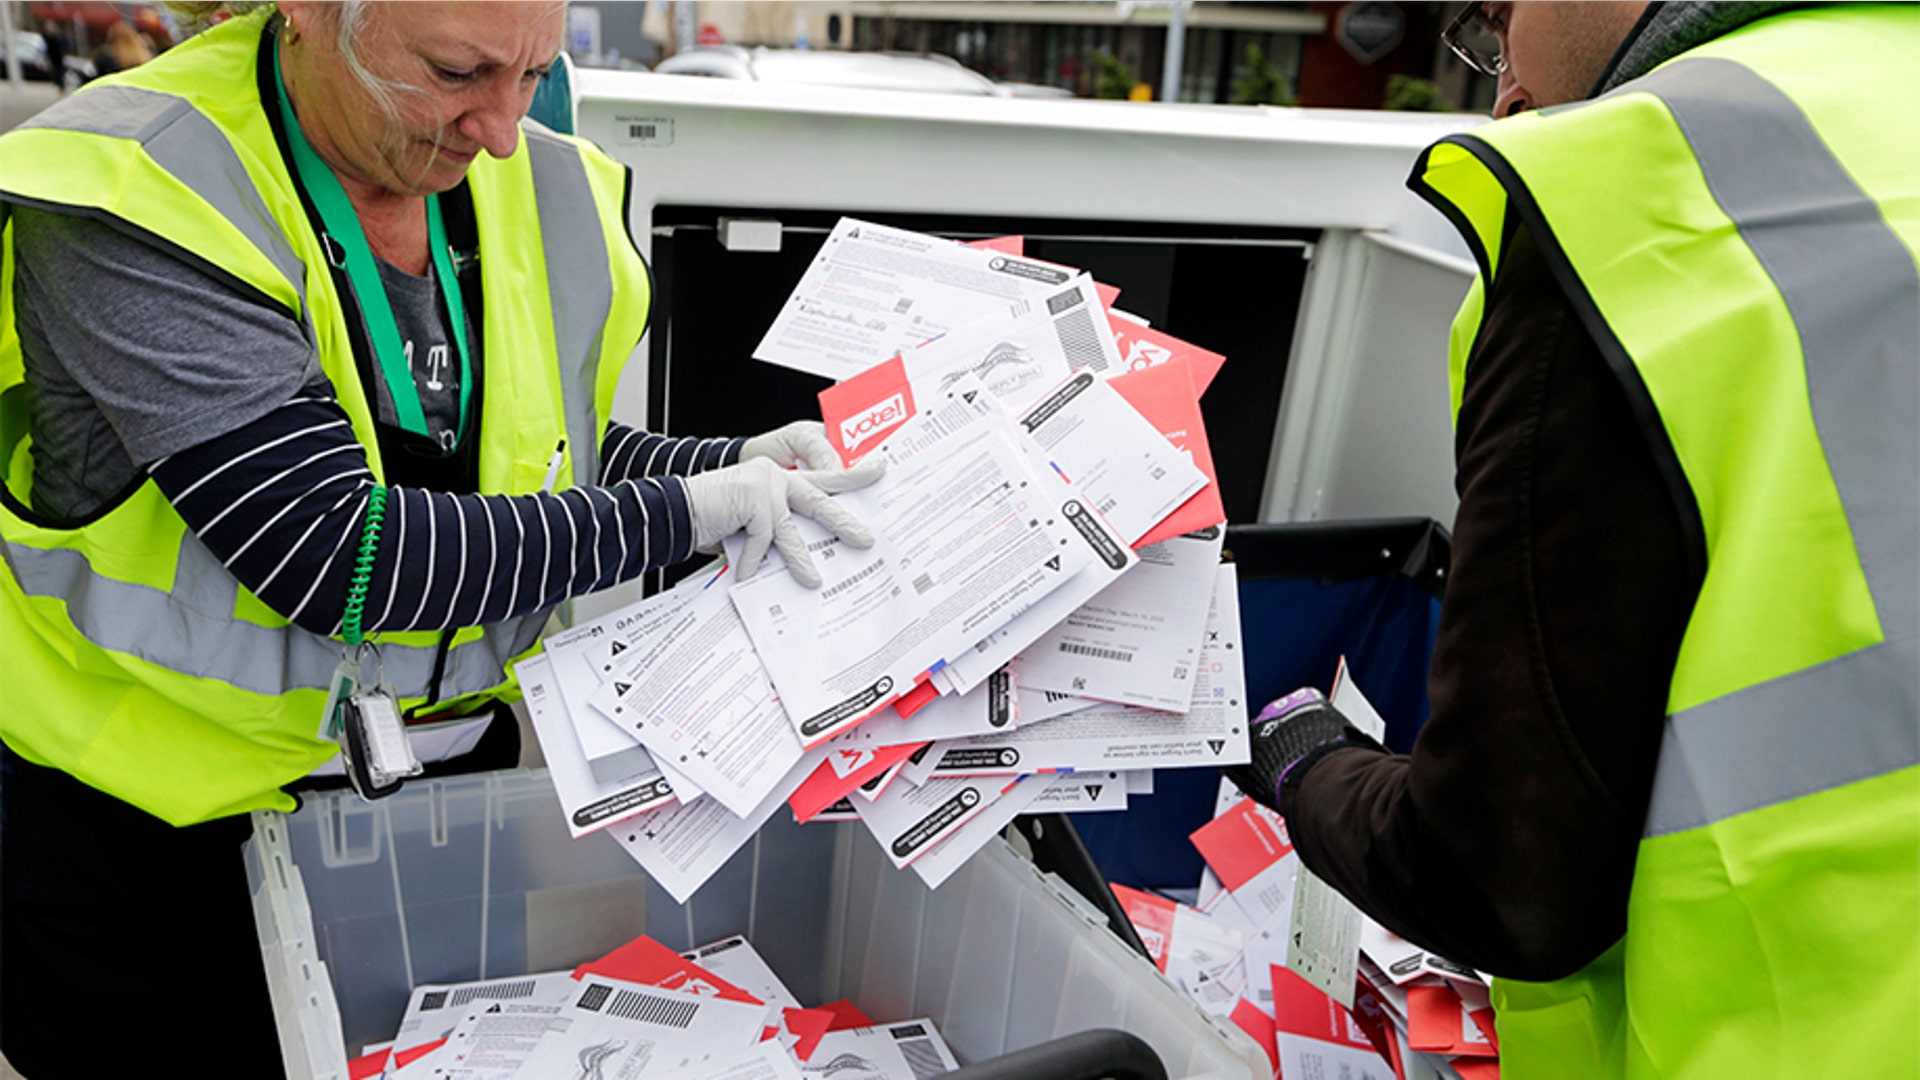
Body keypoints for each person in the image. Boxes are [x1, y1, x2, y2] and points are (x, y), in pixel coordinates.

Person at [0, 2, 881, 1076]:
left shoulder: (517, 169)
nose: (502, 128)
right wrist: (684, 514)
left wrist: (727, 468)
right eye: (459, 71)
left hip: (443, 812)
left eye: (532, 72)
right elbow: (336, 550)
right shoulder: (144, 190)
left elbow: (534, 452)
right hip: (163, 850)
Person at [1226, 3, 1918, 1077]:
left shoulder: (1626, 195)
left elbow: (1500, 878)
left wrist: (1306, 760)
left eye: (1496, 20)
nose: (1504, 89)